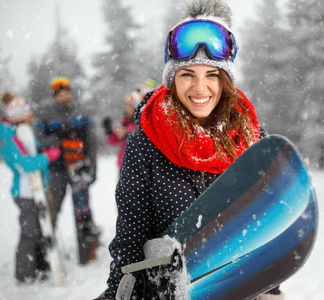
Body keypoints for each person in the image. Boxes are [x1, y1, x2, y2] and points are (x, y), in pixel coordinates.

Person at [97, 0, 284, 298]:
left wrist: (270, 291)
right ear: (172, 79)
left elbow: (263, 228)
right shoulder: (147, 140)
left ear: (226, 82)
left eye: (212, 75)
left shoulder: (250, 138)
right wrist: (118, 291)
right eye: (187, 75)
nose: (200, 89)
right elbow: (129, 239)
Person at [0, 91, 61, 283]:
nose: (32, 116)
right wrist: (48, 156)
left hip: (36, 190)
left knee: (40, 230)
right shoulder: (11, 135)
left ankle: (41, 268)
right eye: (29, 112)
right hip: (25, 192)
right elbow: (26, 164)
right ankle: (24, 275)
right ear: (20, 114)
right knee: (30, 233)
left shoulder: (20, 131)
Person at [34, 77, 100, 264]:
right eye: (60, 93)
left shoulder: (81, 112)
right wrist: (54, 141)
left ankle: (87, 251)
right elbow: (38, 139)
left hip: (79, 168)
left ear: (70, 92)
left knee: (82, 210)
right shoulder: (46, 115)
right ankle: (45, 254)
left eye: (66, 92)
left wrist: (92, 167)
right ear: (55, 95)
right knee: (53, 208)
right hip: (56, 170)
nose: (64, 96)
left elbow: (91, 142)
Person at [102, 96, 138, 171]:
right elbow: (113, 141)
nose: (127, 109)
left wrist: (128, 130)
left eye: (130, 106)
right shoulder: (123, 121)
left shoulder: (140, 120)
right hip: (124, 162)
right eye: (127, 106)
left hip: (138, 161)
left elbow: (138, 129)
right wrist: (108, 131)